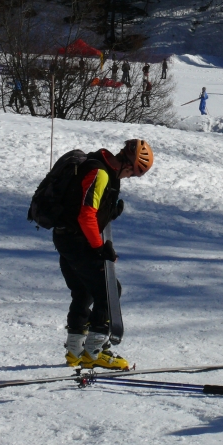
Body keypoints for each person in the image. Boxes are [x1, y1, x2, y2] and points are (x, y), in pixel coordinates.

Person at [54, 139, 154, 369]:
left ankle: (74, 350)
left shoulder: (98, 164)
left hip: (65, 237)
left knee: (83, 291)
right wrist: (99, 247)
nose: (129, 178)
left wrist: (109, 212)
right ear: (128, 165)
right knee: (109, 291)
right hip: (79, 241)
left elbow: (86, 207)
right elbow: (86, 215)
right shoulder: (100, 174)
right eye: (134, 174)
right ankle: (94, 352)